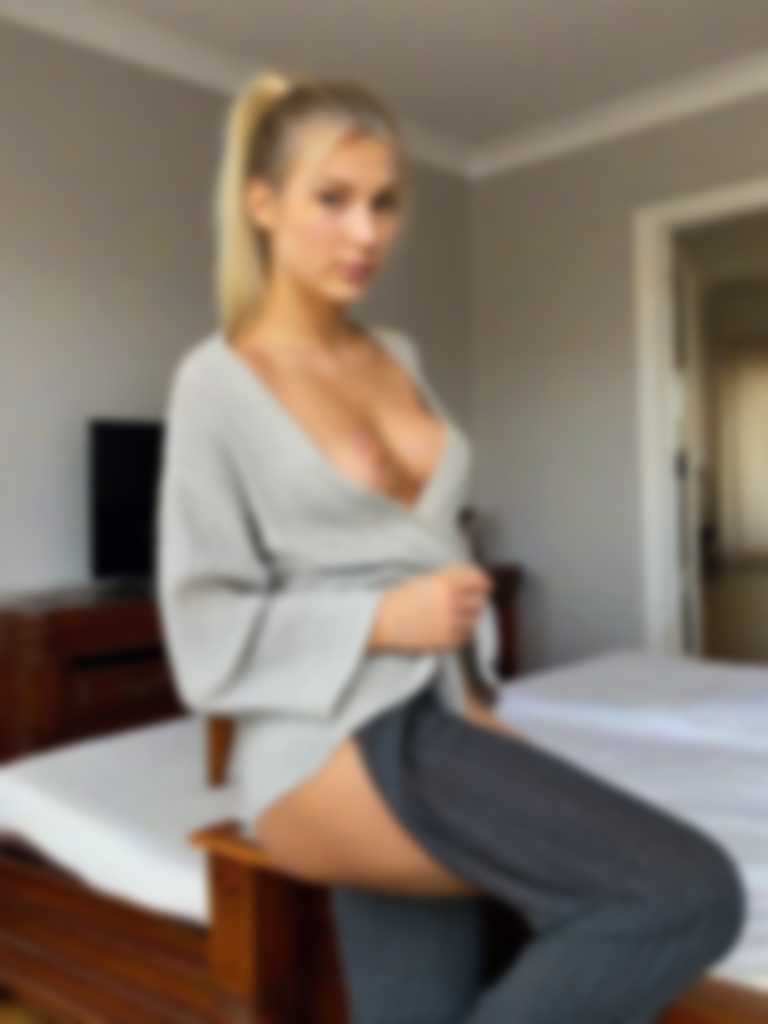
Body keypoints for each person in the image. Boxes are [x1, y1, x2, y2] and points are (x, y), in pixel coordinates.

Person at [156, 67, 747, 1023]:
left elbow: (425, 544)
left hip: (439, 713)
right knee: (685, 894)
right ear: (262, 204)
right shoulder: (218, 382)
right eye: (333, 199)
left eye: (385, 203)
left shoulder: (399, 356)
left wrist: (472, 705)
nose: (366, 233)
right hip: (328, 741)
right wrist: (382, 619)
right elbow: (202, 631)